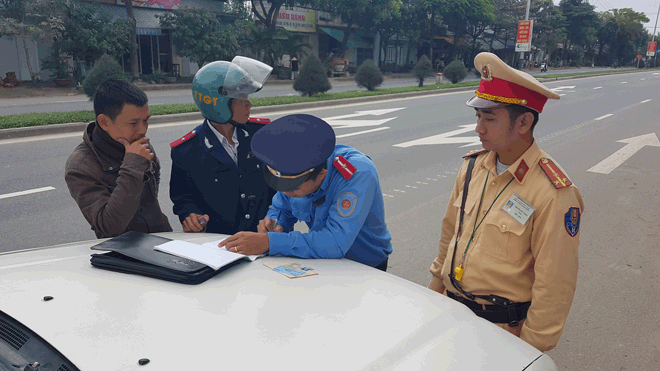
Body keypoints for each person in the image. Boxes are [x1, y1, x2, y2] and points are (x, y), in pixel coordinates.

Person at [427, 52, 584, 351]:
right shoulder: (473, 167)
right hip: (450, 312)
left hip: (500, 331)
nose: (479, 128)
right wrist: (433, 295)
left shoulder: (553, 193)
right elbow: (451, 234)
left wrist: (530, 351)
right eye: (478, 116)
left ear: (523, 122)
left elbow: (555, 285)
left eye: (490, 118)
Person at [219, 114, 393, 271]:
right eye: (281, 187)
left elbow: (334, 242)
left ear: (322, 175)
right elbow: (283, 207)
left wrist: (270, 242)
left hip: (365, 266)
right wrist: (275, 223)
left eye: (294, 189)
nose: (286, 193)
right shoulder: (293, 173)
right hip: (323, 262)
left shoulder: (356, 173)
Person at [169, 56, 276, 234]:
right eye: (241, 99)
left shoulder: (261, 135)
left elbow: (278, 185)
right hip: (219, 246)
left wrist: (275, 217)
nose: (249, 104)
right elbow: (183, 198)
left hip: (263, 240)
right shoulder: (187, 151)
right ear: (218, 104)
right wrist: (190, 215)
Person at [65, 79, 172, 238]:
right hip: (123, 253)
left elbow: (154, 180)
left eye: (146, 120)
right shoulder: (81, 166)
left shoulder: (138, 142)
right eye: (133, 123)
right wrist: (132, 167)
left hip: (160, 238)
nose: (143, 130)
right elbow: (109, 227)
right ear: (104, 122)